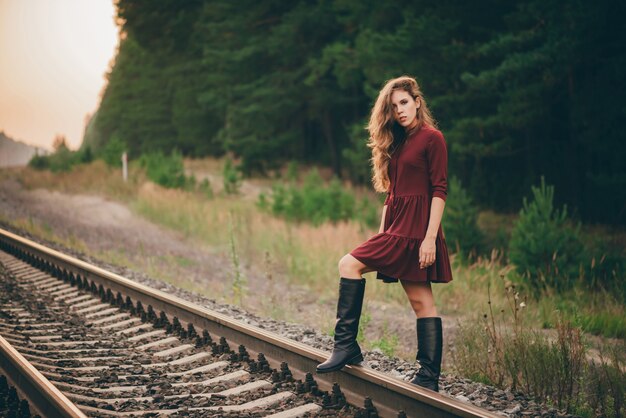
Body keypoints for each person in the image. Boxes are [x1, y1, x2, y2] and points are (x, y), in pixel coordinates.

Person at [316, 76, 453, 392]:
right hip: (397, 228)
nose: (400, 110)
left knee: (350, 266)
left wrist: (430, 238)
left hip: (417, 230)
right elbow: (393, 194)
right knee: (420, 302)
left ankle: (350, 347)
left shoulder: (433, 138)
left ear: (417, 101)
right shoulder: (401, 142)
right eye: (394, 107)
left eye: (404, 102)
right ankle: (424, 376)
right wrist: (382, 234)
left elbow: (439, 189)